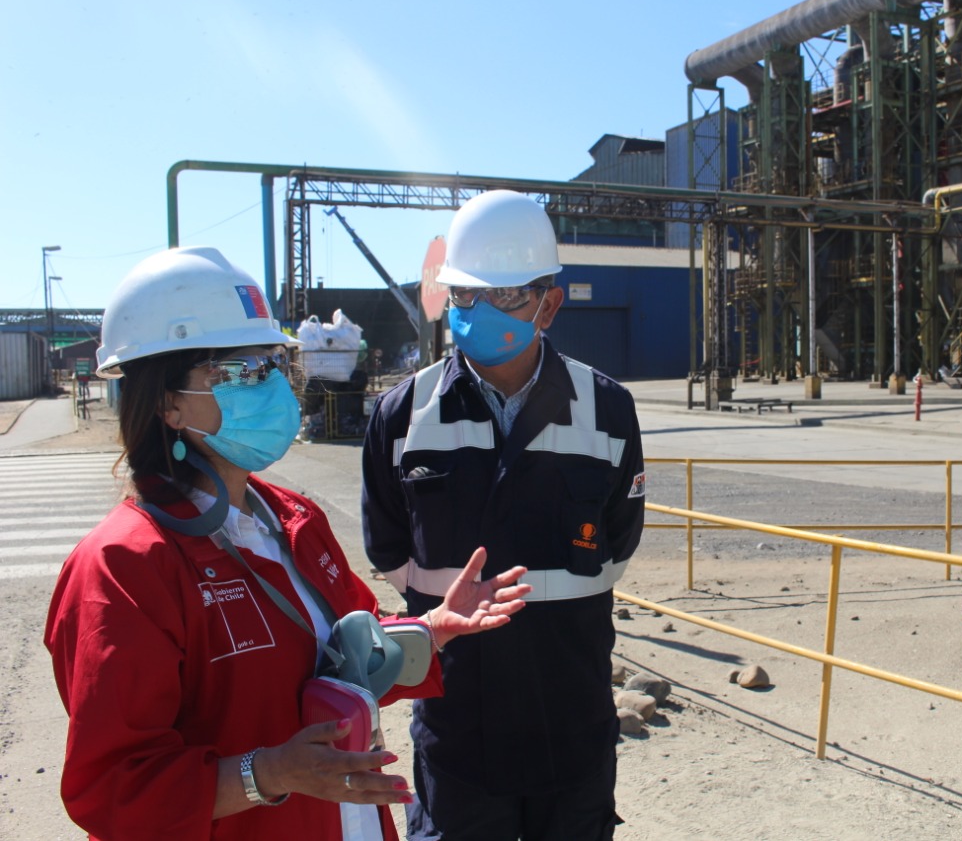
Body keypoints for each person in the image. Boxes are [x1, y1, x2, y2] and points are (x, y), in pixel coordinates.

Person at [44, 246, 532, 841]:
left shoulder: (292, 518)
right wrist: (268, 774)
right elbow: (111, 787)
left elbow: (347, 651)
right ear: (167, 403)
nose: (271, 385)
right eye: (240, 371)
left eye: (273, 363)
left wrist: (431, 629)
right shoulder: (124, 567)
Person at [361, 190, 646, 840]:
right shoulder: (403, 415)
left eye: (506, 295)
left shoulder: (607, 410)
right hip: (456, 729)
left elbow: (618, 543)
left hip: (571, 726)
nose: (480, 310)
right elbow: (388, 549)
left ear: (550, 303)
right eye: (466, 294)